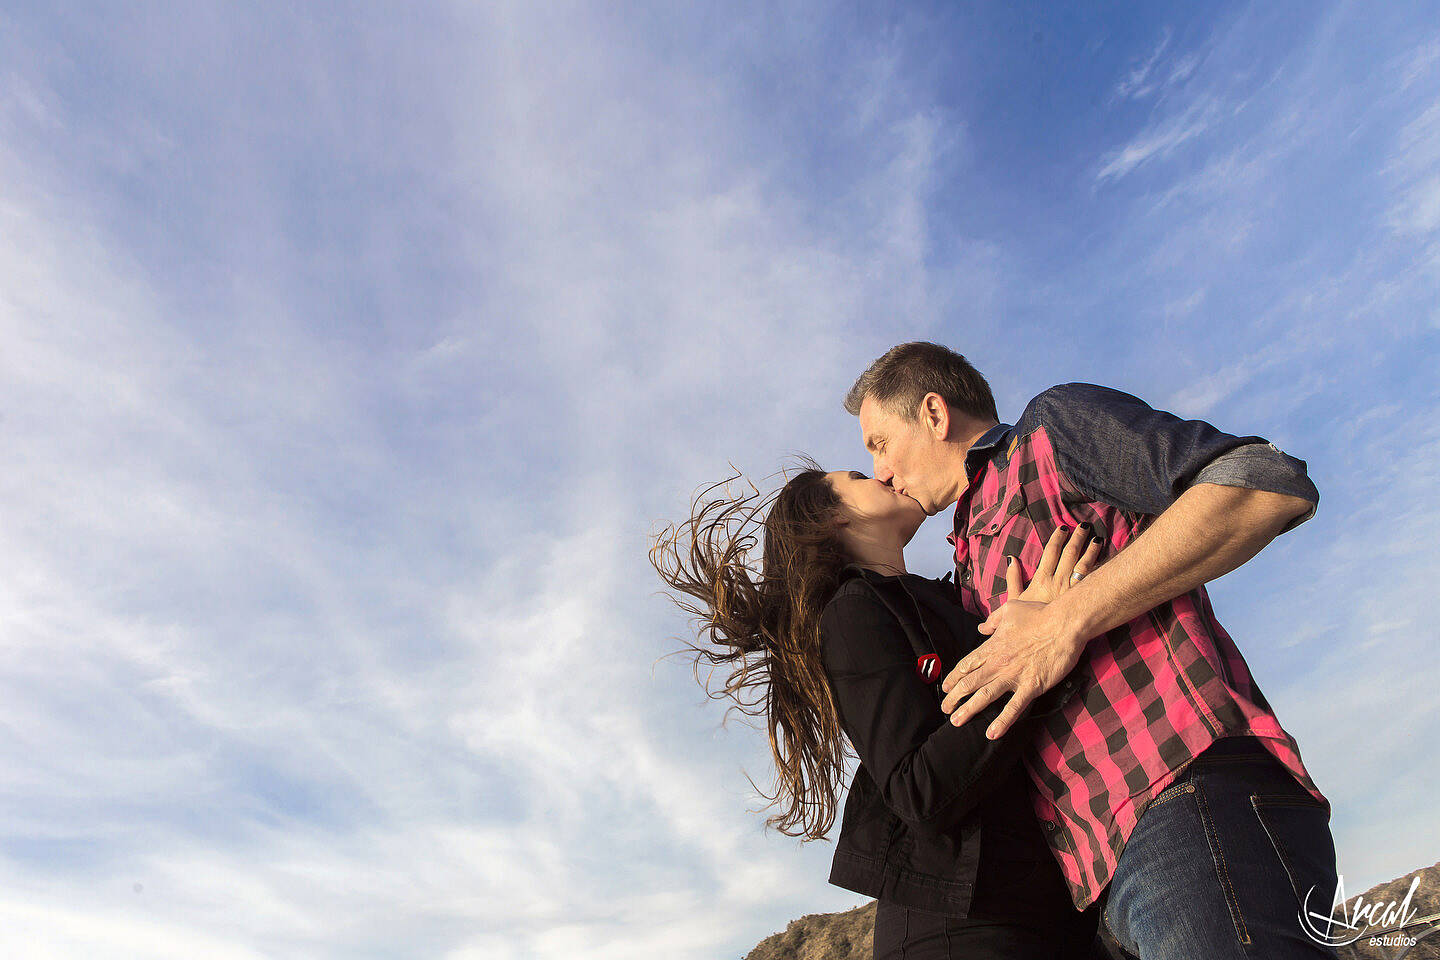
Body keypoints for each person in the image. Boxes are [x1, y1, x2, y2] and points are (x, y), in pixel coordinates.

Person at [844, 341, 1340, 959]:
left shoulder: (1049, 434)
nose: (881, 471)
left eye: (878, 444)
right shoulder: (963, 565)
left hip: (1185, 803)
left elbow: (1264, 483)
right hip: (1096, 891)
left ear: (934, 414)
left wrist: (1066, 619)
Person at [650, 461, 1110, 959]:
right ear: (834, 520)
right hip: (962, 927)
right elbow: (917, 789)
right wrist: (1026, 656)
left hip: (1054, 904)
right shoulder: (852, 611)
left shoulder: (947, 597)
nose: (885, 475)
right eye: (857, 476)